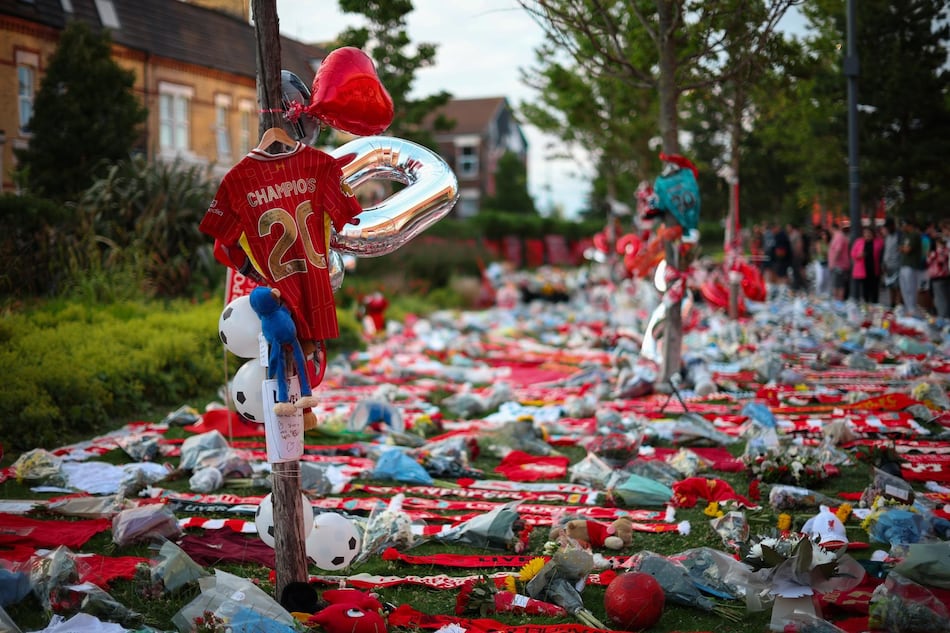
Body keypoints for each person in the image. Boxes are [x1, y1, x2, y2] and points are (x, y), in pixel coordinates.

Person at [850, 224, 883, 304]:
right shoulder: (859, 241)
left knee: (875, 291)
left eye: (869, 233)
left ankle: (875, 307)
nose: (867, 235)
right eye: (865, 233)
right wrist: (859, 255)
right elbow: (852, 254)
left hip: (874, 270)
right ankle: (866, 306)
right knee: (865, 291)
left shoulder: (879, 242)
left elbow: (882, 254)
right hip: (863, 271)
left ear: (873, 234)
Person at [898, 217, 924, 315]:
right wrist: (903, 248)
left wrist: (903, 248)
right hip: (904, 264)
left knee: (911, 288)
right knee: (904, 288)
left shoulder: (914, 235)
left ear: (909, 225)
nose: (902, 228)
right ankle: (908, 308)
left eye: (904, 225)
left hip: (912, 265)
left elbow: (907, 249)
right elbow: (901, 248)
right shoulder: (905, 235)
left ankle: (912, 309)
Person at [926, 225, 949, 317]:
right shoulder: (947, 251)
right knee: (945, 299)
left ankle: (943, 318)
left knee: (940, 300)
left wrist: (930, 255)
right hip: (945, 277)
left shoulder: (937, 253)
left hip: (938, 278)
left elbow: (929, 260)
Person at [880, 218, 902, 307]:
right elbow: (886, 251)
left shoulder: (899, 236)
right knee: (890, 286)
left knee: (897, 287)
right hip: (888, 266)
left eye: (887, 227)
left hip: (897, 265)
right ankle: (892, 304)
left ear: (892, 226)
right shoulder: (887, 237)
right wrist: (883, 263)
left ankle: (899, 304)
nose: (886, 229)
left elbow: (901, 250)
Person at [828, 223, 851, 301]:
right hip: (839, 265)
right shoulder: (838, 236)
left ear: (832, 228)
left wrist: (833, 263)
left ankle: (838, 303)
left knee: (838, 286)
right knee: (837, 285)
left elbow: (838, 250)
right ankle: (838, 302)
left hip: (839, 266)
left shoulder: (839, 236)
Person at [811, 227, 830, 296]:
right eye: (822, 234)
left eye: (825, 234)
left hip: (827, 263)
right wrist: (828, 253)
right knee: (820, 280)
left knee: (827, 280)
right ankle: (818, 294)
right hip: (819, 263)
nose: (824, 236)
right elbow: (820, 252)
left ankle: (826, 294)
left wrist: (827, 254)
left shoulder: (829, 243)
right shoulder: (819, 242)